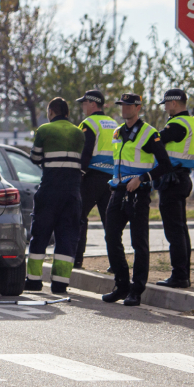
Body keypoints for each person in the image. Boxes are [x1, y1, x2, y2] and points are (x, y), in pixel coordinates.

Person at [102, 93, 174, 307]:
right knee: (111, 237)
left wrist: (143, 178)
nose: (124, 108)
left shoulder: (149, 133)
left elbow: (165, 165)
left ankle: (136, 289)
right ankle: (121, 284)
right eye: (122, 104)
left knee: (138, 243)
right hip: (117, 192)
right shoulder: (117, 132)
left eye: (129, 105)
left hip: (138, 194)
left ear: (138, 108)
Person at [26, 97, 85, 295]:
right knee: (67, 237)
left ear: (51, 112)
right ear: (67, 113)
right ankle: (60, 284)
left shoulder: (44, 130)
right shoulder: (79, 133)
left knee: (40, 235)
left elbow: (35, 157)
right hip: (72, 193)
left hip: (50, 191)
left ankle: (34, 281)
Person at [155, 89, 194, 289]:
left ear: (174, 103)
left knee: (174, 231)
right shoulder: (191, 122)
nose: (165, 107)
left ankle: (179, 275)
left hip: (172, 180)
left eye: (166, 103)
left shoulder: (177, 124)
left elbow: (154, 141)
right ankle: (183, 274)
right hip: (181, 178)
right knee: (180, 230)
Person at [75, 90, 119, 268]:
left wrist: (80, 173)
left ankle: (77, 259)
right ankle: (116, 262)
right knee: (110, 222)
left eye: (84, 103)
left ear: (93, 104)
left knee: (79, 217)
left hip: (92, 177)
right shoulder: (114, 123)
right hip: (111, 178)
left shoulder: (89, 123)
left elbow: (86, 151)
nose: (83, 107)